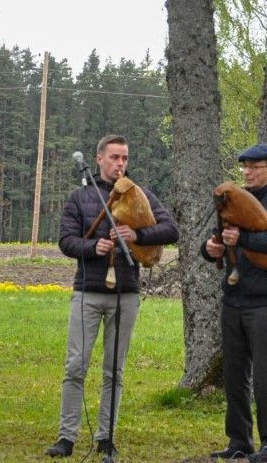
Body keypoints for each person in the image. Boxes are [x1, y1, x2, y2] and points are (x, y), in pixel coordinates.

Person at [45, 134, 179, 458]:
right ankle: (66, 438)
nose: (120, 164)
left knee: (114, 370)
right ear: (99, 159)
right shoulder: (80, 198)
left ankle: (106, 438)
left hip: (126, 292)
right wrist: (94, 247)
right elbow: (66, 241)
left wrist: (138, 234)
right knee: (76, 366)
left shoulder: (138, 195)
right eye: (115, 157)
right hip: (87, 292)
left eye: (125, 158)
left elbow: (172, 229)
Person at [201, 143, 267, 463]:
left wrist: (242, 239)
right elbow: (214, 240)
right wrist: (210, 249)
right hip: (233, 299)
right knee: (234, 375)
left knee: (265, 377)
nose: (247, 172)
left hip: (265, 302)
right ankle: (239, 442)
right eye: (244, 166)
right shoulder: (232, 202)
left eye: (255, 167)